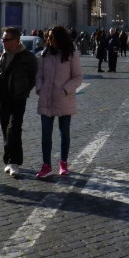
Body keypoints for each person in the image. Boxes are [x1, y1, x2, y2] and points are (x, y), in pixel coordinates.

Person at [35, 26, 83, 178]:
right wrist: (40, 88)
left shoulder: (71, 54)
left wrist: (65, 90)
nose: (49, 40)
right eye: (48, 37)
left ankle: (63, 162)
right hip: (46, 98)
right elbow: (39, 75)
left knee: (64, 133)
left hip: (64, 98)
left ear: (60, 38)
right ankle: (46, 164)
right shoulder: (44, 54)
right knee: (46, 134)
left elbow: (78, 77)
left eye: (52, 37)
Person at [0, 27, 37, 177]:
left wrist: (24, 90)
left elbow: (33, 77)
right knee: (5, 128)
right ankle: (8, 159)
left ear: (16, 41)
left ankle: (15, 161)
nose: (3, 42)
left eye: (6, 39)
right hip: (2, 98)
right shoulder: (1, 55)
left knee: (14, 128)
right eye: (3, 39)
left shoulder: (28, 57)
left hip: (18, 98)